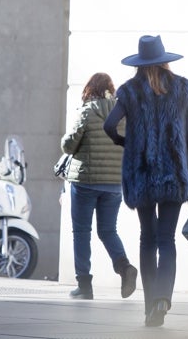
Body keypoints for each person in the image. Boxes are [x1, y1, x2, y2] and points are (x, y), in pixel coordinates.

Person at [104, 35, 188, 327]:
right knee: (167, 240)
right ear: (164, 60)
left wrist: (126, 142)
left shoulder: (130, 91)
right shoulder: (180, 89)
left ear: (139, 62)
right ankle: (163, 297)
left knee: (147, 239)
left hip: (142, 173)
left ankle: (151, 308)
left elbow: (109, 125)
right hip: (175, 173)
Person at [61, 72, 138, 300]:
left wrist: (67, 142)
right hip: (114, 183)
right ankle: (125, 267)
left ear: (90, 89)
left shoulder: (87, 110)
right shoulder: (123, 114)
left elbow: (69, 145)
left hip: (85, 181)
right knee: (108, 230)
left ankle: (84, 286)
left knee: (82, 232)